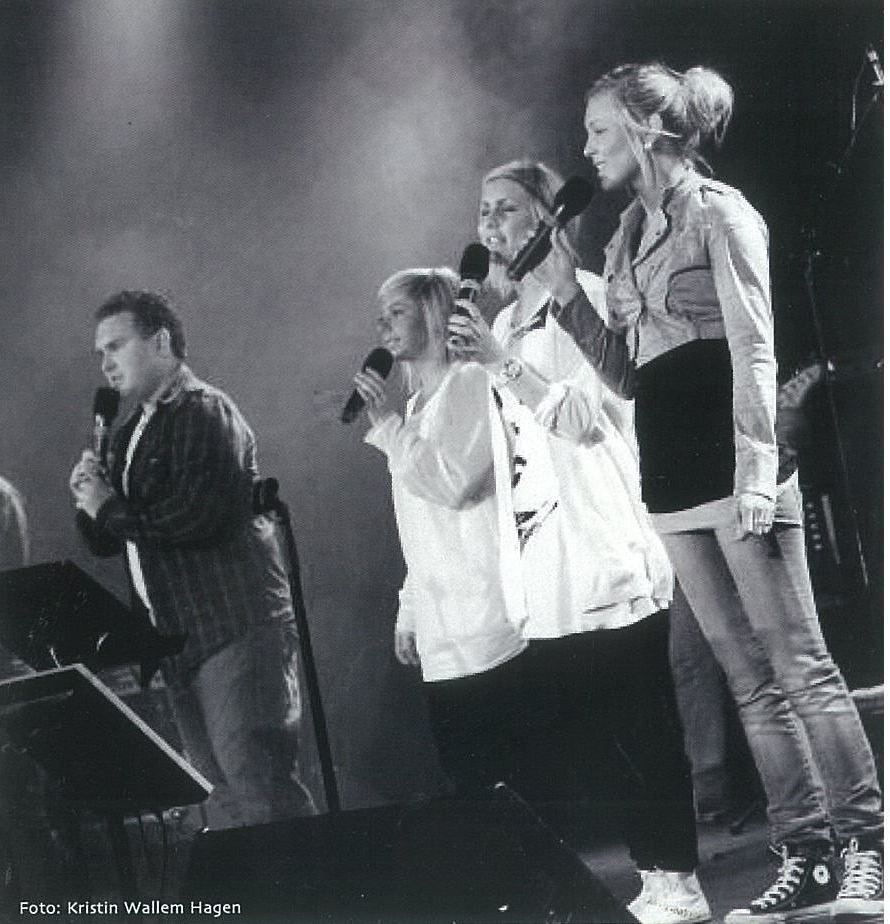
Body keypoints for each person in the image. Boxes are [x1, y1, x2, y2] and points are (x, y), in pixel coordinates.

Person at [531, 62, 882, 922]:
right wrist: (565, 295)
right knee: (747, 681)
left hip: (735, 466)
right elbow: (626, 376)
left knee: (800, 667)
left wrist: (757, 469)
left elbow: (754, 349)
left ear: (645, 128)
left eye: (598, 130)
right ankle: (807, 857)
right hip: (670, 477)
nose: (586, 148)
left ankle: (868, 849)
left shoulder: (721, 215)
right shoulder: (621, 237)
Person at [445, 159, 711, 924]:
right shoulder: (502, 326)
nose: (489, 226)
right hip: (547, 560)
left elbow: (584, 422)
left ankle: (680, 877)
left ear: (547, 220)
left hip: (602, 545)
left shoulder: (585, 298)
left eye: (506, 209)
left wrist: (501, 366)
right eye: (482, 211)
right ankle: (652, 872)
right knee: (594, 731)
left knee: (640, 722)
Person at [69, 290, 315, 829]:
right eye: (99, 353)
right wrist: (91, 499)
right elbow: (109, 542)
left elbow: (192, 518)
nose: (105, 363)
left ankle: (311, 883)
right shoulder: (130, 432)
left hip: (234, 629)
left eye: (116, 346)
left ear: (160, 342)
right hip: (179, 644)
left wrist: (107, 506)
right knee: (219, 799)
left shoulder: (202, 411)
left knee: (258, 786)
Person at [354, 267, 532, 800]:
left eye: (397, 313)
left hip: (487, 615)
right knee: (467, 777)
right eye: (381, 316)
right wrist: (410, 611)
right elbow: (416, 524)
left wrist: (386, 427)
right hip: (441, 630)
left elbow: (454, 484)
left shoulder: (470, 383)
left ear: (433, 314)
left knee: (510, 772)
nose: (383, 327)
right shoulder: (412, 409)